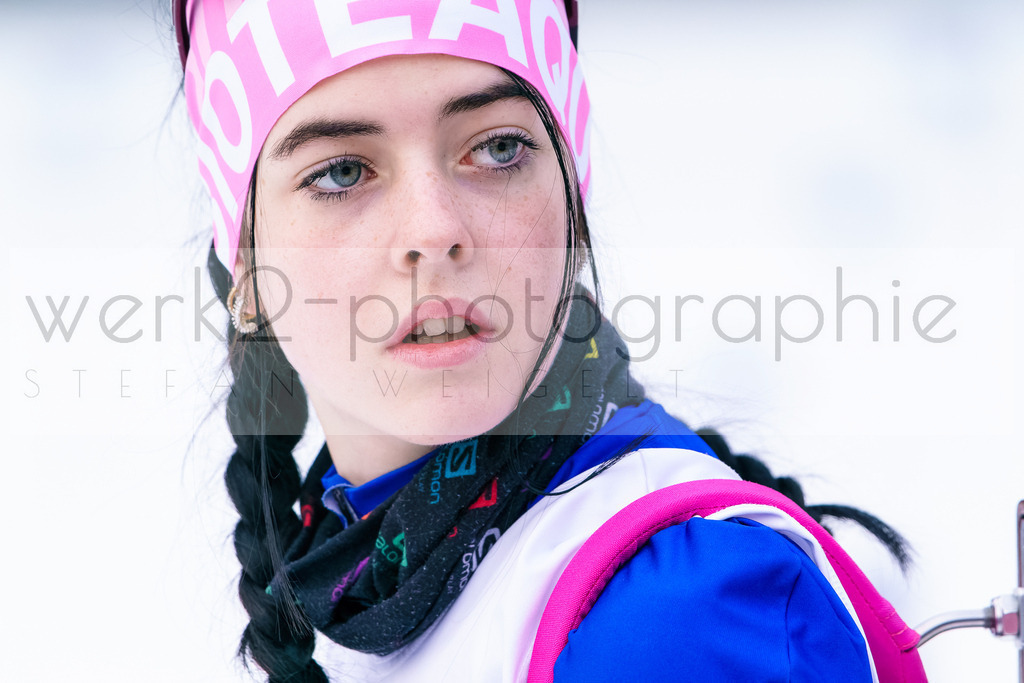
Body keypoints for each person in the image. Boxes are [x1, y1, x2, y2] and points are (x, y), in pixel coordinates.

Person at [174, 1, 917, 681]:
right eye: (342, 171)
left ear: (572, 202)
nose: (435, 231)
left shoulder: (673, 619)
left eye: (497, 149)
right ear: (243, 261)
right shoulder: (355, 575)